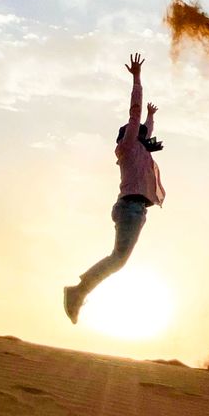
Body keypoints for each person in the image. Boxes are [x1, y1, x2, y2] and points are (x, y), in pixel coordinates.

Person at [63, 52, 166, 324]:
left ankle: (80, 289)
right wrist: (137, 80)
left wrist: (150, 116)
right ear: (127, 136)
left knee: (119, 259)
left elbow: (143, 126)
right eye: (135, 132)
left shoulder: (141, 150)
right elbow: (134, 118)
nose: (140, 133)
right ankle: (78, 291)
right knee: (118, 259)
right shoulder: (127, 147)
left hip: (136, 210)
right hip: (130, 208)